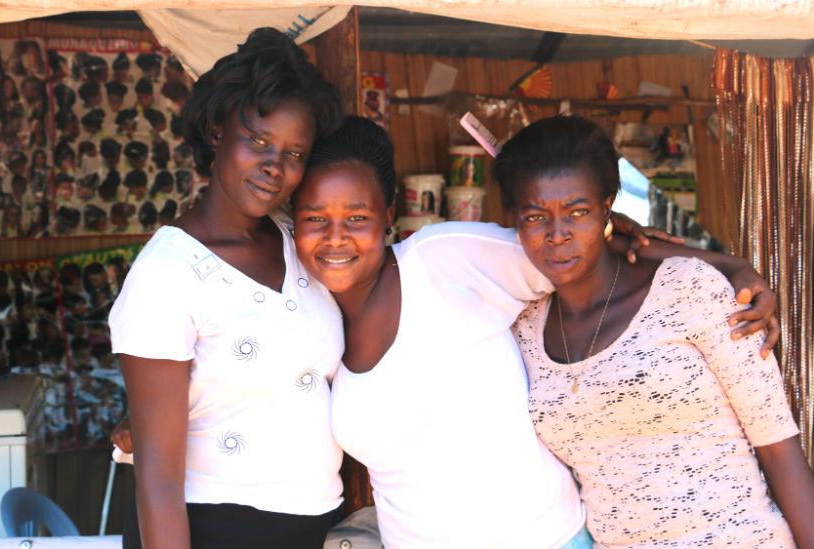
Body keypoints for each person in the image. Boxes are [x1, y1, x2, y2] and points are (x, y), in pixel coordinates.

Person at [286, 116, 778, 548]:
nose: (336, 237)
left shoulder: (444, 261)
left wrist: (729, 267)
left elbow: (583, 249)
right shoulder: (307, 316)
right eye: (315, 219)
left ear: (389, 216)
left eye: (357, 218)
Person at [501, 115, 814, 548]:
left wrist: (732, 267)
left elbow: (780, 451)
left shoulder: (690, 289)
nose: (558, 234)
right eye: (535, 217)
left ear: (609, 207)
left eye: (578, 212)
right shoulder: (524, 328)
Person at [108, 28, 344, 549]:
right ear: (217, 133)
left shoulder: (298, 243)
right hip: (210, 529)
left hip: (314, 527)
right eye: (257, 141)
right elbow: (158, 479)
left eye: (294, 153)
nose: (274, 167)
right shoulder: (168, 273)